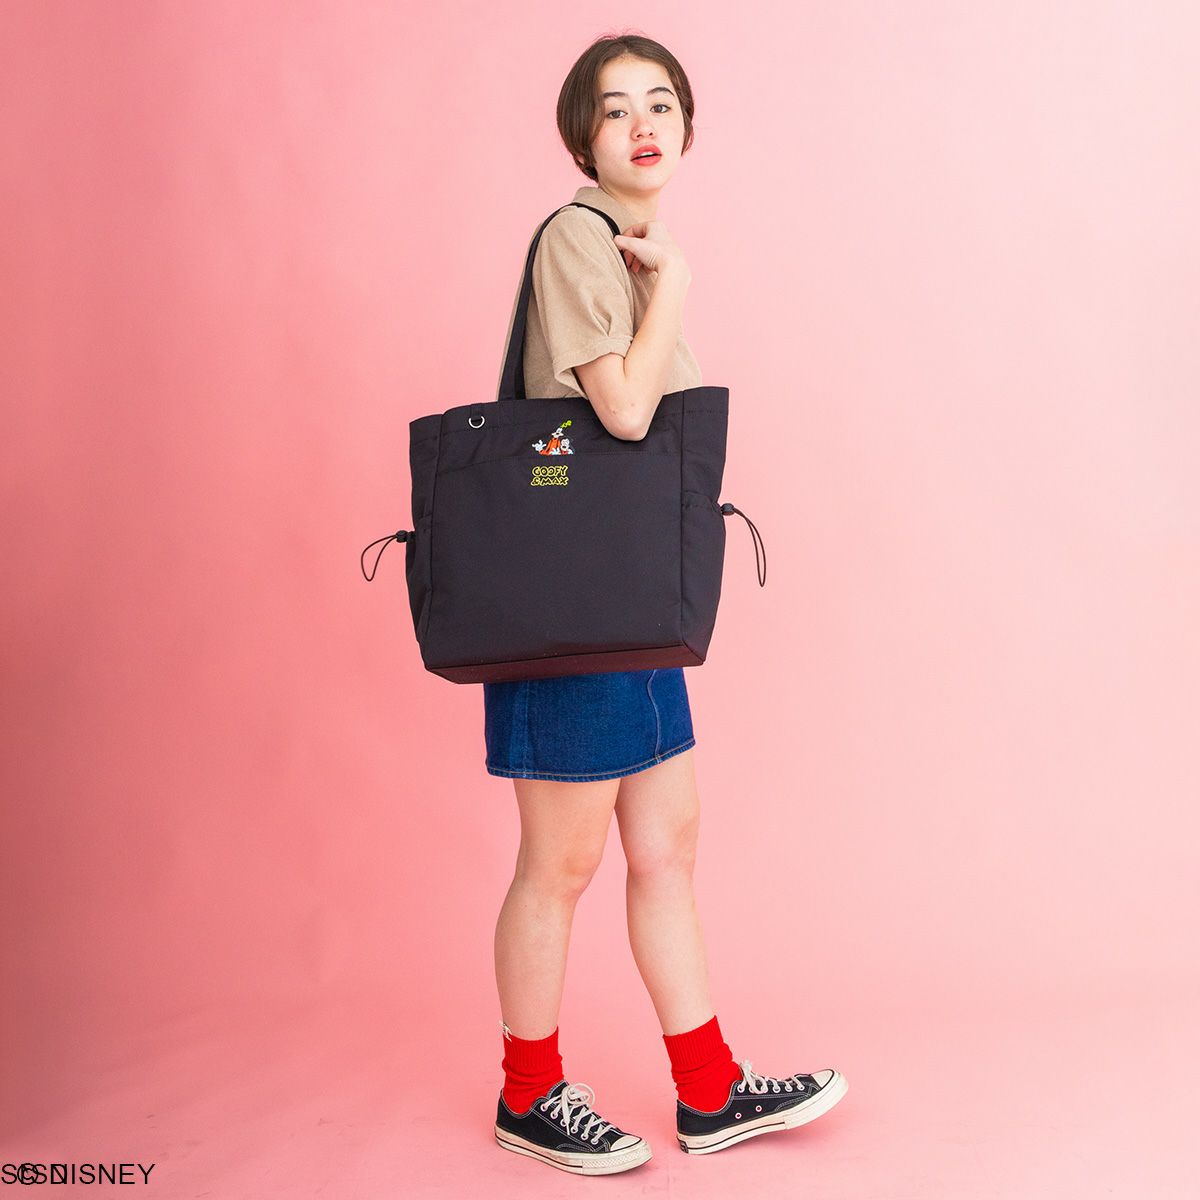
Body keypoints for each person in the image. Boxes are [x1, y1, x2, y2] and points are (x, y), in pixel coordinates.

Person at [486, 35, 848, 1176]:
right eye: (614, 109)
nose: (642, 125)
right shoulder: (579, 239)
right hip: (571, 610)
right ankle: (527, 1096)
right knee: (560, 864)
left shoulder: (626, 246)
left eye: (660, 104)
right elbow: (628, 415)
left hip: (629, 602)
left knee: (666, 849)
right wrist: (676, 285)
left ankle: (710, 1090)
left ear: (687, 125)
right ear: (580, 137)